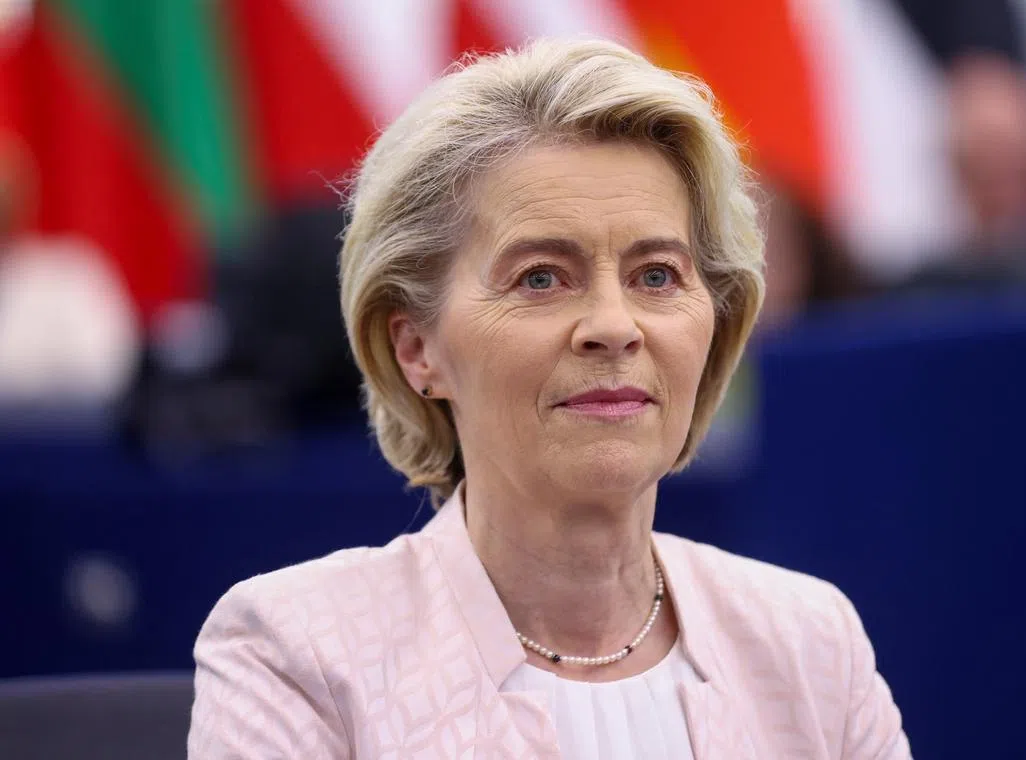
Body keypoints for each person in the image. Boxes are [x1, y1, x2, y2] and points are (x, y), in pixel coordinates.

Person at [188, 38, 909, 758]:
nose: (613, 327)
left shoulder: (810, 643)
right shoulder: (297, 655)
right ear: (416, 349)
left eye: (656, 276)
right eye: (541, 277)